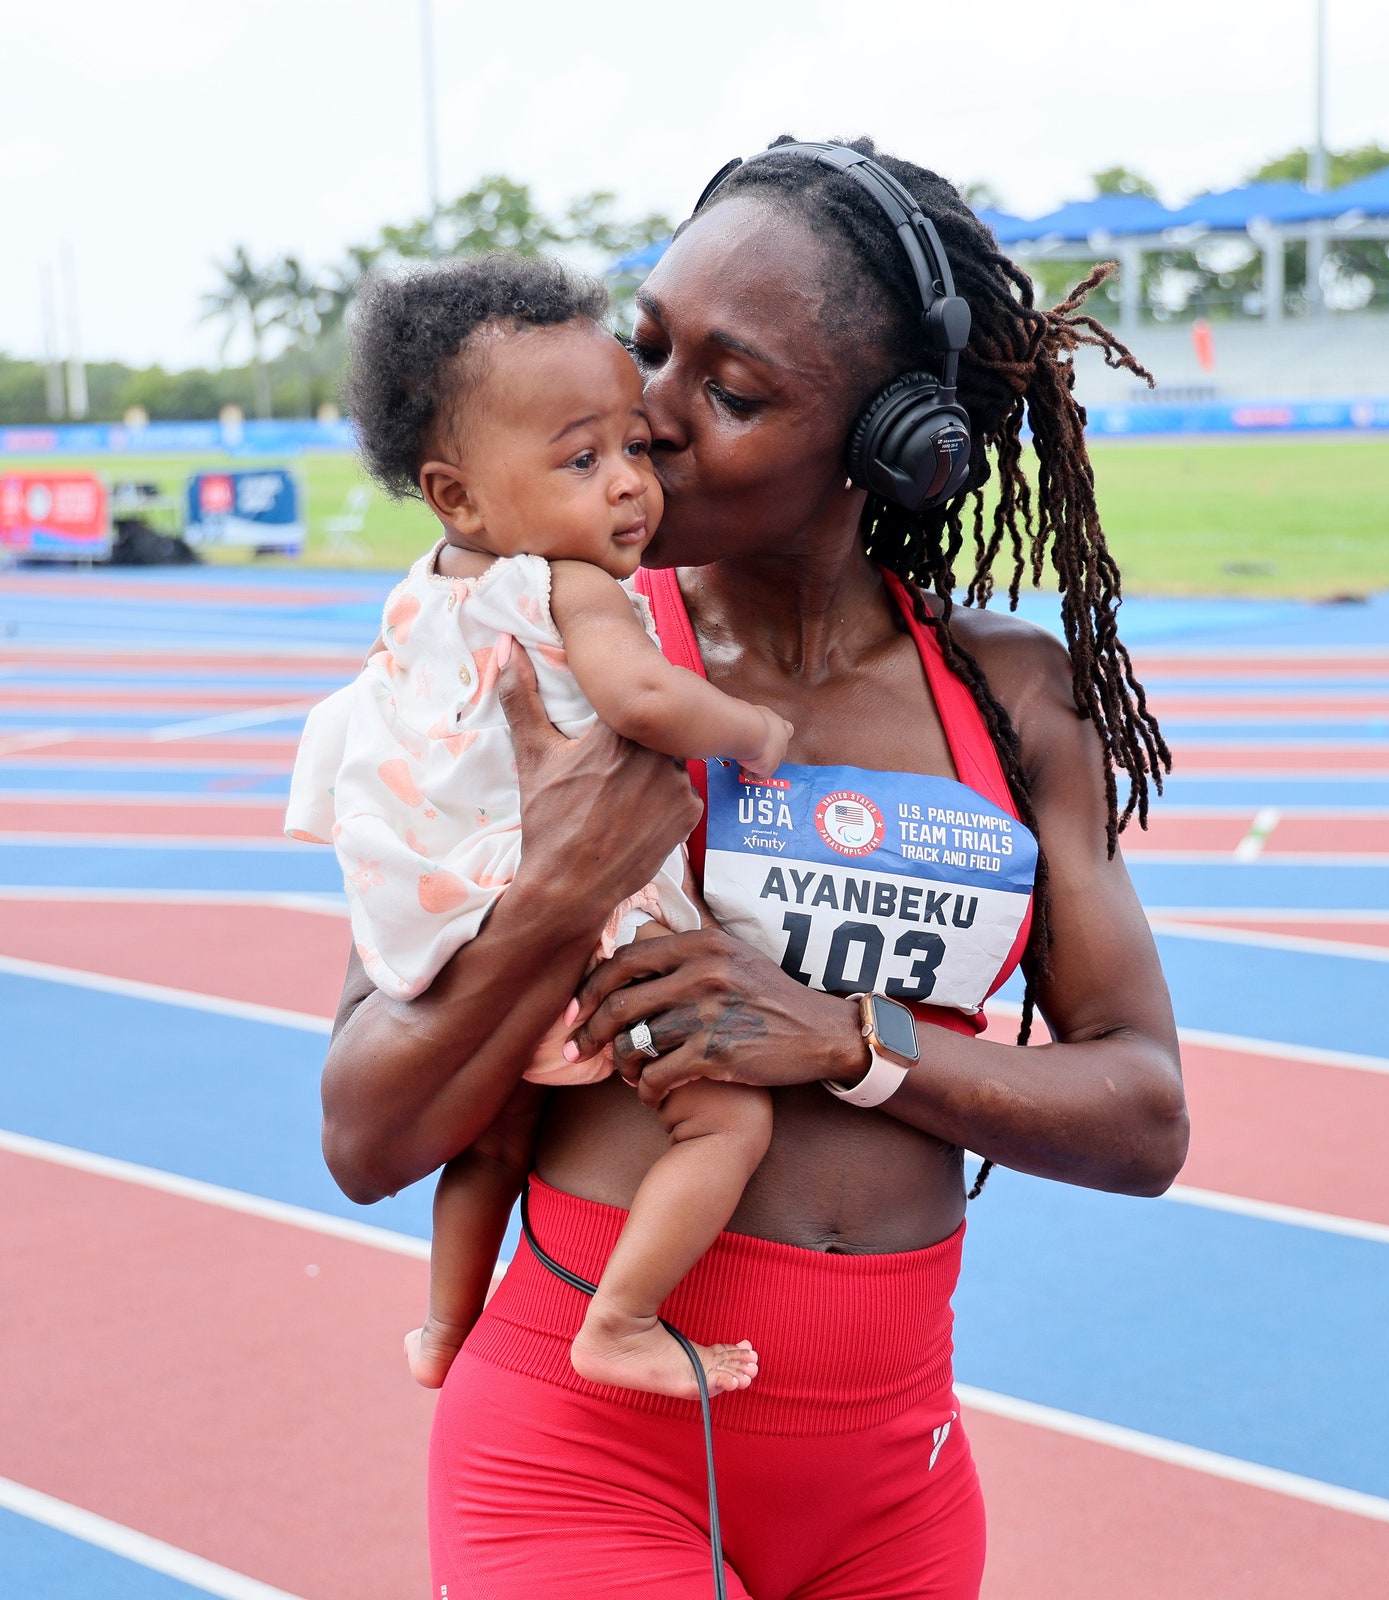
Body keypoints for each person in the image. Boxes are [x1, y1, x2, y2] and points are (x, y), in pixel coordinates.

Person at [320, 136, 1189, 1600]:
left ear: (893, 443)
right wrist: (559, 890)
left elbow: (1144, 1111)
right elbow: (365, 1133)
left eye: (728, 393)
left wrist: (851, 1044)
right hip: (583, 1445)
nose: (644, 420)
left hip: (893, 1481)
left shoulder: (1011, 701)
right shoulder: (523, 657)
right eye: (646, 344)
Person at [288, 255, 787, 1399]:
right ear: (459, 492)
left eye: (632, 447)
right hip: (599, 919)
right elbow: (644, 701)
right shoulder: (570, 585)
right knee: (725, 1122)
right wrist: (758, 731)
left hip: (459, 915)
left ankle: (441, 1330)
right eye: (582, 458)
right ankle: (621, 1318)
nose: (628, 486)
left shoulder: (419, 590)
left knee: (493, 1141)